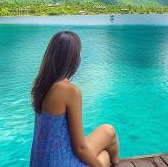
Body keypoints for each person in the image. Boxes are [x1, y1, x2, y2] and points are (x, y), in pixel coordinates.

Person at [30, 31, 120, 167]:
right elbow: (80, 148)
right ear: (73, 59)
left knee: (108, 130)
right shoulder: (69, 91)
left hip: (42, 162)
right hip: (63, 162)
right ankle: (116, 163)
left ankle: (115, 163)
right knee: (104, 154)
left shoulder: (41, 85)